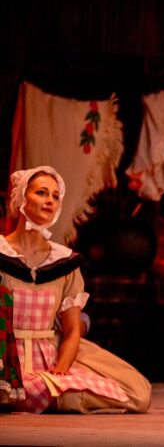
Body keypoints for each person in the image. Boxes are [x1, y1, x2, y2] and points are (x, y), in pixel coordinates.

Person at [0, 166, 151, 413]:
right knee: (21, 390)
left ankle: (45, 394)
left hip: (47, 357)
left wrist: (61, 369)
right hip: (6, 359)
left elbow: (71, 331)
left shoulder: (64, 263)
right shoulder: (2, 254)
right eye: (41, 193)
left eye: (55, 196)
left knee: (137, 393)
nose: (49, 200)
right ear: (21, 198)